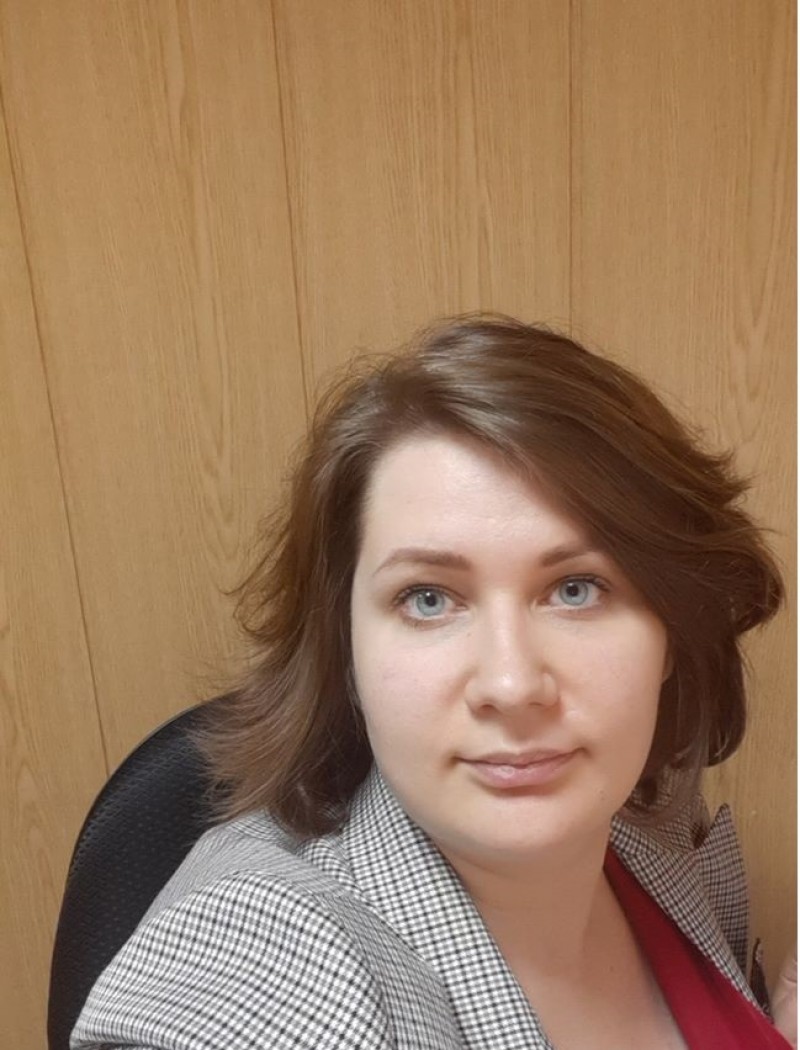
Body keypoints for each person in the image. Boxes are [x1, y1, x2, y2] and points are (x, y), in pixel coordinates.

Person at [72, 316, 794, 1049]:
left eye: (577, 589)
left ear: (673, 629)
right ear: (344, 650)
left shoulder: (645, 811)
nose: (512, 684)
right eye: (428, 599)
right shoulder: (273, 956)